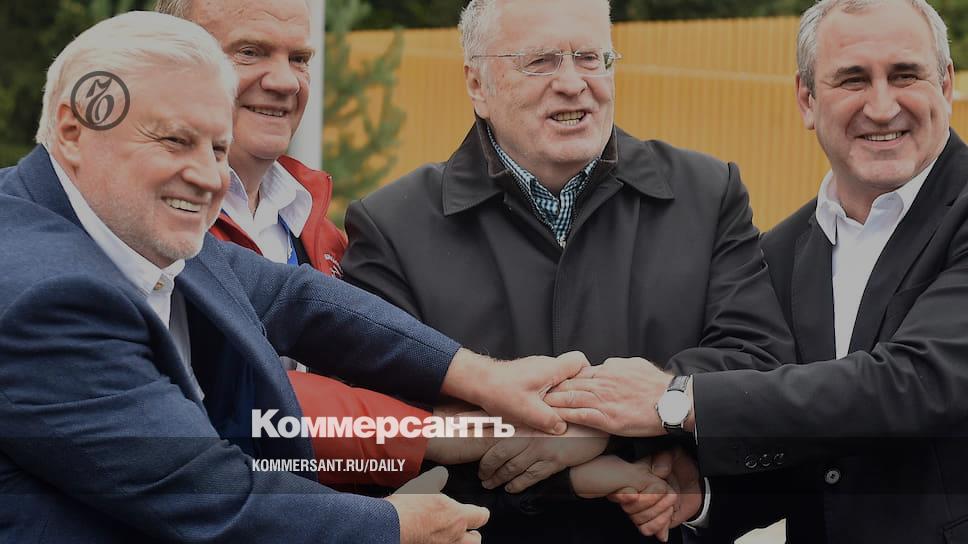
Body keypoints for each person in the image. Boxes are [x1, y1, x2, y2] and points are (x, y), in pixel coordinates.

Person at [0, 12, 591, 543]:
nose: (207, 178)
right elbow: (206, 493)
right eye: (175, 142)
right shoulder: (47, 295)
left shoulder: (128, 220)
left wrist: (487, 378)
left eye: (216, 150)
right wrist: (396, 525)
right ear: (74, 131)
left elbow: (293, 298)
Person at [341, 0, 795, 541]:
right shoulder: (390, 228)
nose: (574, 83)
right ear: (477, 84)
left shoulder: (708, 194)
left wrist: (597, 427)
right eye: (541, 61)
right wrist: (575, 467)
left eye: (591, 57)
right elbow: (375, 432)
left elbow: (758, 365)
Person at [546, 0, 968, 542]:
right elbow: (813, 444)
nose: (883, 107)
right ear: (807, 100)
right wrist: (702, 497)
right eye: (853, 80)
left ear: (946, 84)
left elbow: (916, 382)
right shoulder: (783, 251)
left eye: (905, 75)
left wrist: (677, 399)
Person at [154, 0, 442, 490]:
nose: (286, 81)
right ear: (171, 61)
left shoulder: (321, 232)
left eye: (300, 58)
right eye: (250, 52)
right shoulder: (145, 228)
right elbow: (234, 398)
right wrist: (439, 436)